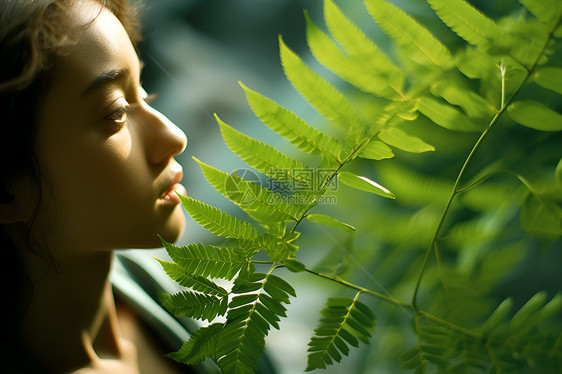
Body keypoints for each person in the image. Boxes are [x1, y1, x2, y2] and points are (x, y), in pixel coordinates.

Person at [0, 0, 196, 372]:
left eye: (145, 92)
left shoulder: (161, 291)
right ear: (7, 190)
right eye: (117, 112)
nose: (175, 136)